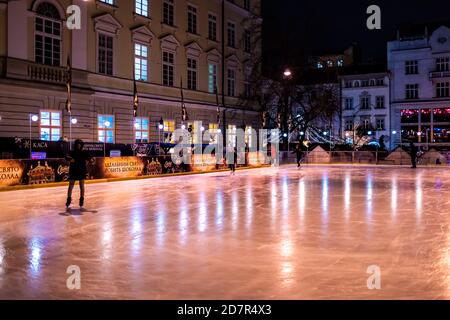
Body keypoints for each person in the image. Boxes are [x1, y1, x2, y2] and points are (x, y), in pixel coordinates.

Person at [65, 139, 93, 209]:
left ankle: (81, 199)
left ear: (82, 145)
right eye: (77, 144)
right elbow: (66, 156)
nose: (78, 145)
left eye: (80, 144)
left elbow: (90, 158)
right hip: (74, 170)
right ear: (75, 144)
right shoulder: (72, 152)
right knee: (71, 185)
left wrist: (92, 160)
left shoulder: (84, 153)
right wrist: (69, 159)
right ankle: (68, 199)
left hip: (81, 171)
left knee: (82, 186)